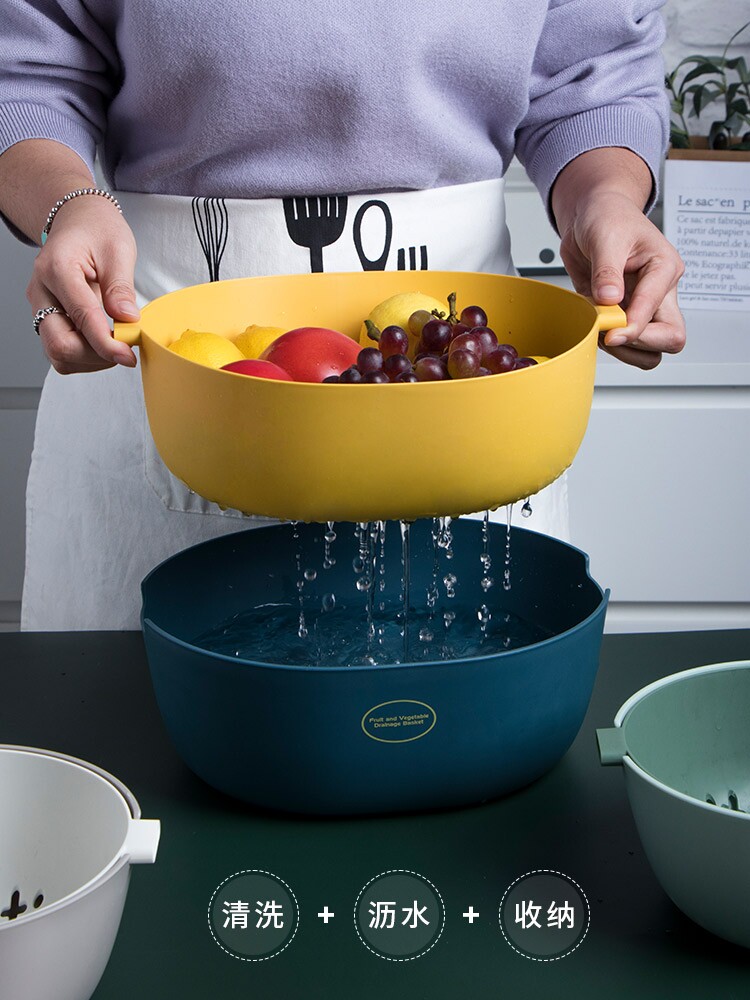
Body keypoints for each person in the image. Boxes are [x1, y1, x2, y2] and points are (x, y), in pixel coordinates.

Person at [0, 0, 685, 630]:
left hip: (458, 389)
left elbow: (593, 74)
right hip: (160, 344)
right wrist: (69, 207)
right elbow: (25, 74)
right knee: (125, 713)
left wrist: (605, 197)